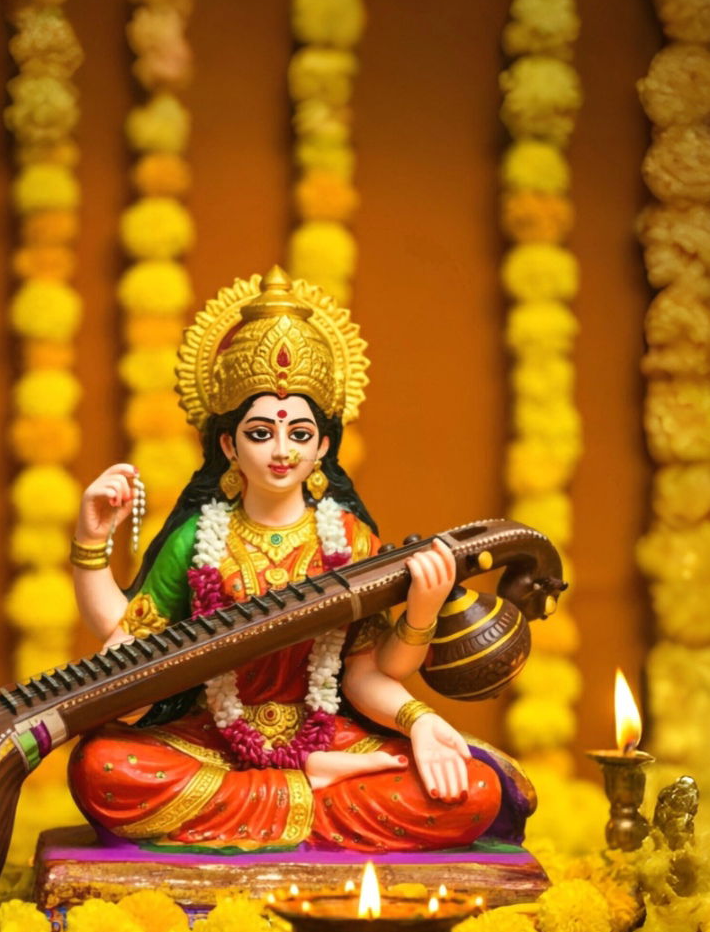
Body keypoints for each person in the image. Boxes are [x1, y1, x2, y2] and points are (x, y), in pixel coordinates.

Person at [67, 268, 533, 853]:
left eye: (300, 433)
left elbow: (369, 674)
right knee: (104, 769)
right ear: (229, 446)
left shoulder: (349, 539)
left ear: (323, 447)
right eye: (261, 433)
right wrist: (91, 545)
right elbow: (124, 640)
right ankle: (313, 789)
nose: (282, 450)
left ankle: (298, 789)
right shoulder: (198, 537)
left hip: (326, 732)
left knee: (473, 791)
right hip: (214, 739)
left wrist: (420, 699)